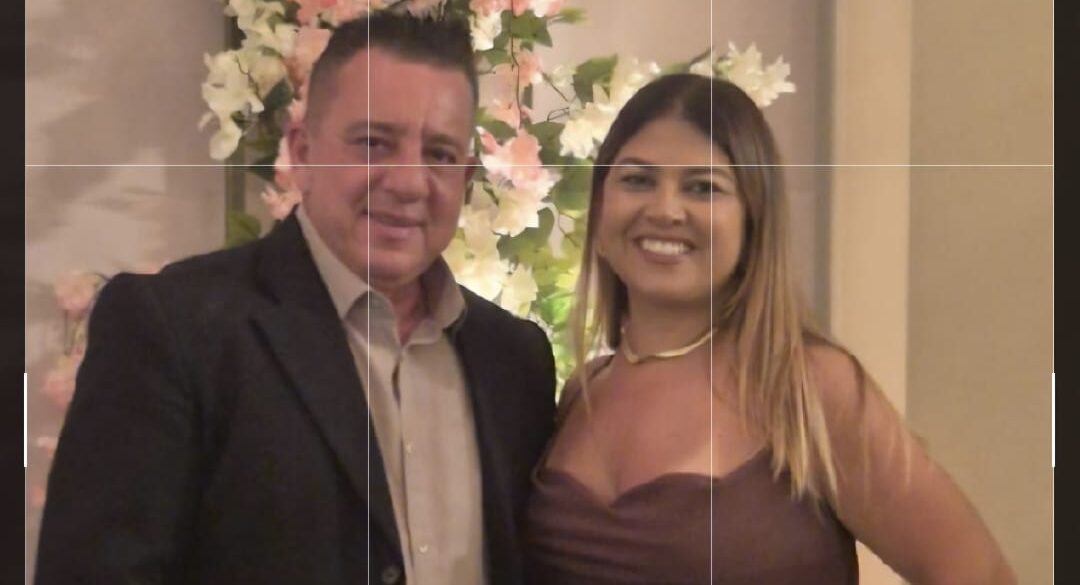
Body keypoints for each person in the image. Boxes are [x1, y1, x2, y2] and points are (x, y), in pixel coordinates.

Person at [35, 11, 556, 585]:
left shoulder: (515, 359)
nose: (410, 183)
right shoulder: (174, 328)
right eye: (374, 143)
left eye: (440, 154)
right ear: (302, 152)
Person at [521, 73, 1016, 585]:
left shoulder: (807, 387)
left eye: (703, 187)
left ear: (754, 222)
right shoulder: (583, 393)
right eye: (637, 180)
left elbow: (980, 575)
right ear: (599, 209)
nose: (665, 209)